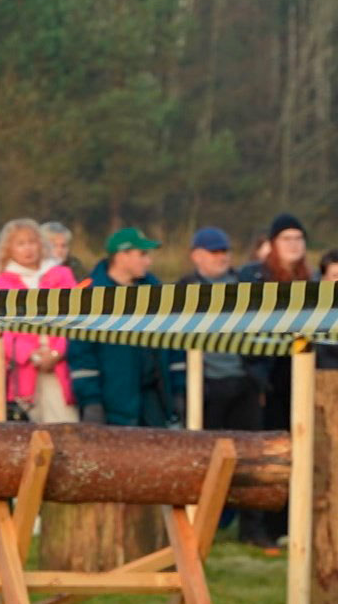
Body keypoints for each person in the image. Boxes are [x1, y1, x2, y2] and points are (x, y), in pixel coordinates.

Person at [177, 226, 273, 548]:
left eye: (225, 251)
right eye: (214, 252)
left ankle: (252, 529)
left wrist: (258, 378)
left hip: (243, 383)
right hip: (203, 386)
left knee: (251, 459)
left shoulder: (245, 287)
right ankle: (200, 527)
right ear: (196, 255)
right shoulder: (184, 290)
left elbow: (264, 332)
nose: (221, 257)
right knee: (202, 459)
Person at [241, 214, 312, 546]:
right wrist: (256, 377)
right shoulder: (255, 277)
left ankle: (287, 523)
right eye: (287, 239)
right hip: (261, 376)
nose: (294, 245)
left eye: (299, 238)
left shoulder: (309, 281)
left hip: (297, 373)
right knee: (263, 454)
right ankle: (256, 527)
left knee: (296, 449)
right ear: (273, 244)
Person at [68, 228, 180, 428]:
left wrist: (179, 391)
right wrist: (91, 402)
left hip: (154, 404)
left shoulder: (156, 291)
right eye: (142, 254)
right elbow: (81, 354)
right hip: (113, 406)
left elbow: (174, 343)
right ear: (121, 256)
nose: (148, 261)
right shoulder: (90, 295)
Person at [0, 218, 79, 424]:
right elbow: (0, 330)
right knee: (29, 430)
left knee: (65, 425)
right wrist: (30, 354)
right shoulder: (1, 283)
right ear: (8, 249)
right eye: (20, 243)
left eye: (32, 242)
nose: (28, 248)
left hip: (61, 363)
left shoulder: (62, 275)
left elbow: (74, 317)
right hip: (23, 368)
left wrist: (57, 352)